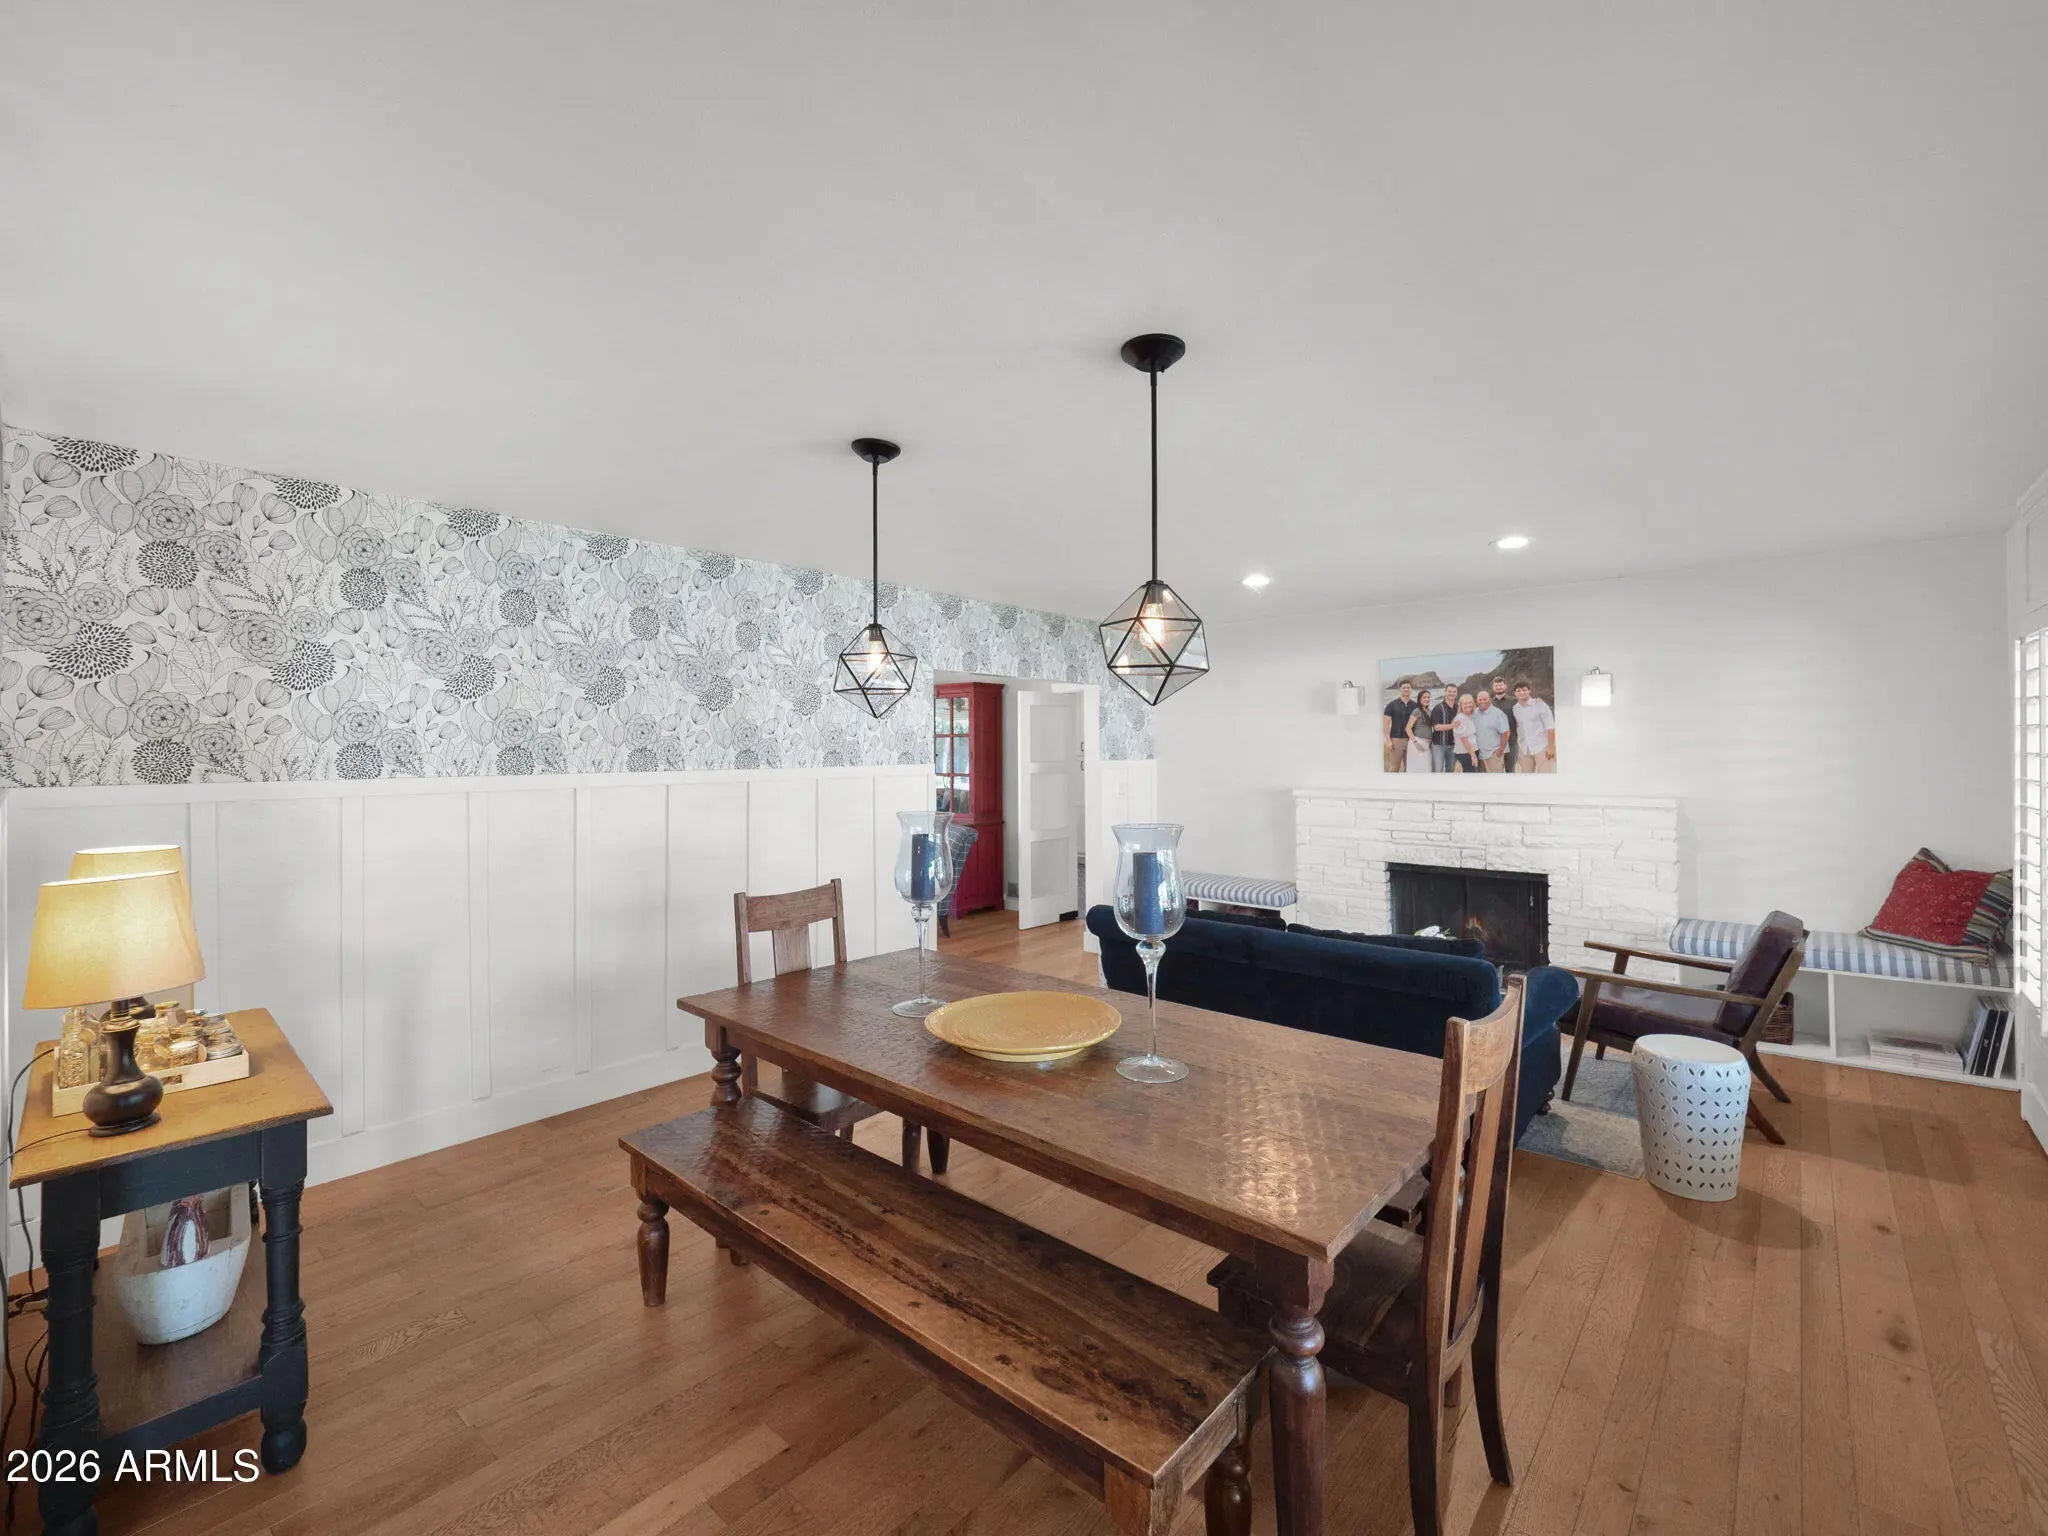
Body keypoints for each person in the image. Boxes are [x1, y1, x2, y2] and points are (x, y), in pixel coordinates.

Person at [1512, 680, 1557, 771]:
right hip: (1524, 749)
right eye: (1518, 691)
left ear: (1529, 691)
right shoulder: (1515, 708)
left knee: (1547, 776)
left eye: (1524, 690)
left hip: (1541, 747)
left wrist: (1551, 748)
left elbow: (1551, 728)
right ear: (1515, 694)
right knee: (1527, 777)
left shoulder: (1540, 705)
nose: (1522, 692)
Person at [1382, 681, 1417, 773]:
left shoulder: (1415, 705)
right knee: (1394, 768)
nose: (1406, 689)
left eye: (1408, 687)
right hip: (1396, 740)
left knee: (1409, 768)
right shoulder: (1392, 705)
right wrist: (1388, 741)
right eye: (1404, 688)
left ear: (1411, 689)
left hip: (1411, 740)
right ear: (1400, 689)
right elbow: (1385, 724)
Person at [1474, 688, 1510, 772]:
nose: (1482, 701)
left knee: (1495, 778)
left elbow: (1506, 732)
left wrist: (1501, 749)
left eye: (1485, 699)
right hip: (1480, 754)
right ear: (1476, 701)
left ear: (1490, 700)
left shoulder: (1498, 713)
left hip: (1494, 753)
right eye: (1480, 700)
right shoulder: (1475, 713)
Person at [1428, 684, 1460, 772]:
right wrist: (1452, 725)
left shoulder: (1458, 708)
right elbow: (1436, 727)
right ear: (1445, 692)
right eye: (1449, 691)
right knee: (1438, 770)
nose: (1452, 693)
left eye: (1454, 692)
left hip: (1454, 745)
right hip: (1438, 745)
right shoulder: (1438, 708)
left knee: (1450, 770)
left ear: (1457, 693)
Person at [1491, 674, 1517, 772]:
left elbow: (1526, 705)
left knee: (1511, 770)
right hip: (1495, 742)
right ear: (1493, 687)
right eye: (1496, 686)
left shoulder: (1514, 701)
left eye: (1500, 685)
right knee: (1497, 770)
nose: (1498, 687)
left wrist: (1536, 701)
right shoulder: (1489, 703)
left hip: (1511, 741)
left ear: (1505, 686)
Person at [1406, 688, 1435, 772]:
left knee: (1427, 769)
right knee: (1416, 769)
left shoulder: (1430, 711)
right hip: (1417, 743)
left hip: (1427, 744)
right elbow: (1407, 728)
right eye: (1424, 697)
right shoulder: (1416, 711)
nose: (1427, 699)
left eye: (1428, 697)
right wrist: (1415, 742)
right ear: (1419, 699)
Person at [1451, 692, 1480, 772]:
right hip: (1465, 752)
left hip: (1471, 750)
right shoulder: (1460, 718)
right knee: (1470, 773)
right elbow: (1464, 739)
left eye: (1470, 702)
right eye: (1465, 703)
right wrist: (1473, 756)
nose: (1468, 705)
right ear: (1461, 705)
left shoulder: (1469, 716)